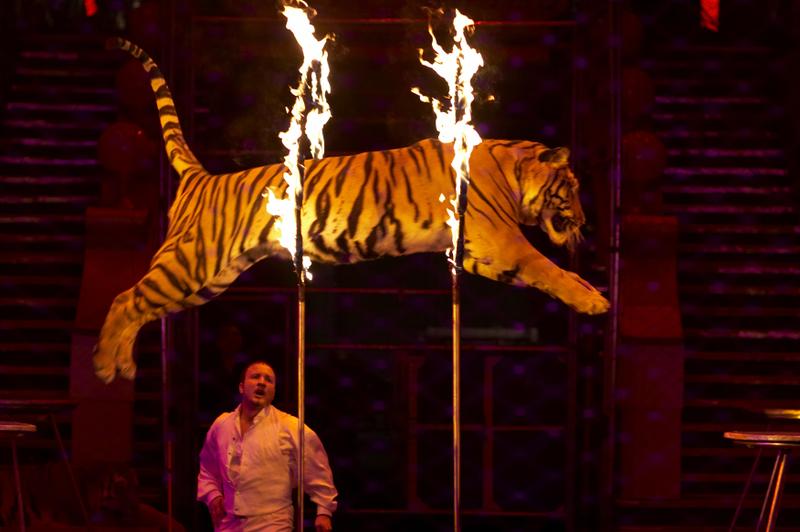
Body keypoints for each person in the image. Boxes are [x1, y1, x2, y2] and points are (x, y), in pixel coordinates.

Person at [197, 361, 338, 531]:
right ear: (241, 387)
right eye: (256, 377)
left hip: (272, 522)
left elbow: (317, 470)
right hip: (229, 523)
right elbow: (207, 468)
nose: (262, 382)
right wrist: (213, 496)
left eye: (269, 380)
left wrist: (324, 511)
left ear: (273, 392)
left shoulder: (290, 427)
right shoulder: (222, 425)